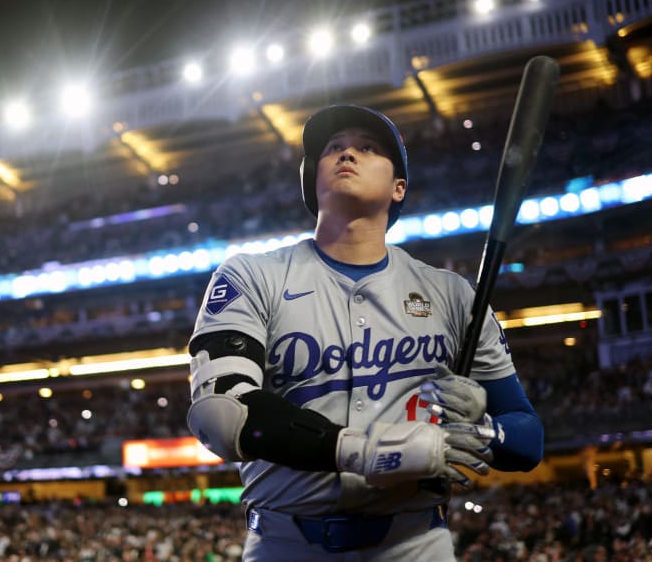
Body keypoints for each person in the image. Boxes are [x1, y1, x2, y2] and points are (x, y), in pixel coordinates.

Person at [186, 104, 543, 560]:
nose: (346, 153)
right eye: (333, 148)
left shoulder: (454, 295)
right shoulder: (251, 276)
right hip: (286, 543)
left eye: (367, 148)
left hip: (416, 544)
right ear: (310, 181)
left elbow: (528, 436)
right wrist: (361, 451)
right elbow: (221, 415)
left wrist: (480, 431)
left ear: (399, 188)